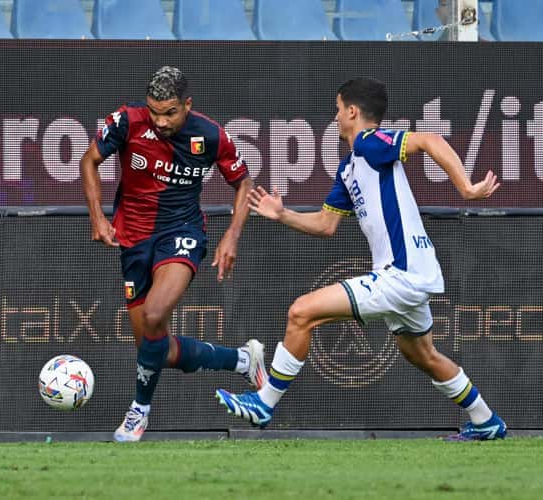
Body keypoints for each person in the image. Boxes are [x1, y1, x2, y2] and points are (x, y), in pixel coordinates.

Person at [216, 77, 506, 441]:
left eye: (338, 110)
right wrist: (283, 214)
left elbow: (429, 139)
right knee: (423, 355)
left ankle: (265, 402)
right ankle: (486, 421)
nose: (335, 118)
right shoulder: (349, 166)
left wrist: (465, 187)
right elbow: (326, 225)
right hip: (409, 274)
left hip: (401, 273)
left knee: (300, 312)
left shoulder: (371, 143)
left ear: (352, 111)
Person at [80, 66, 265, 442]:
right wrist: (98, 217)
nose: (161, 121)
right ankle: (243, 360)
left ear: (187, 105)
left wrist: (232, 236)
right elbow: (89, 161)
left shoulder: (210, 135)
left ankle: (139, 411)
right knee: (157, 347)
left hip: (181, 233)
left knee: (154, 314)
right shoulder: (126, 121)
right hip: (131, 240)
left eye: (170, 113)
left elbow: (244, 182)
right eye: (154, 112)